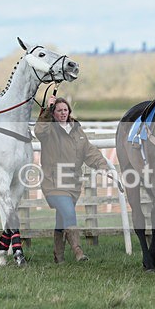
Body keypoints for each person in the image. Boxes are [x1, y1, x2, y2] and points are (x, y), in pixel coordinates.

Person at [35, 95, 111, 263]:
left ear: (69, 111)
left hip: (72, 184)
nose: (62, 113)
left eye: (65, 110)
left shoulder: (77, 131)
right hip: (53, 182)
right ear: (53, 113)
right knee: (69, 212)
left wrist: (103, 166)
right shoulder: (49, 130)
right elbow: (39, 130)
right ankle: (78, 251)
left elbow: (89, 151)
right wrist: (48, 109)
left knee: (62, 219)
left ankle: (59, 256)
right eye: (58, 110)